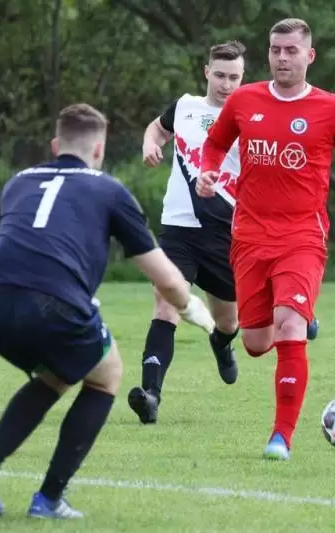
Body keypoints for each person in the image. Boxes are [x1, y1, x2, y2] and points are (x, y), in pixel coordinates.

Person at [0, 103, 215, 519]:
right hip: (52, 301)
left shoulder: (18, 181)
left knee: (56, 376)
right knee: (107, 374)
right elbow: (166, 278)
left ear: (56, 145)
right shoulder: (108, 190)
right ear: (99, 150)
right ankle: (48, 499)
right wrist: (190, 307)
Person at [197, 18, 335, 461]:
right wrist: (208, 170)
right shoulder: (244, 100)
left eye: (291, 50)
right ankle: (299, 316)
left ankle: (281, 437)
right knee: (256, 343)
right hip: (249, 235)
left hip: (302, 236)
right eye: (276, 49)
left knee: (289, 326)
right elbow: (215, 145)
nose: (282, 58)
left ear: (309, 56)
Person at [126, 41, 245, 425]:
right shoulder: (185, 107)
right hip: (178, 230)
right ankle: (150, 396)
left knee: (228, 322)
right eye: (220, 75)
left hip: (225, 233)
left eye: (234, 77)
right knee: (166, 305)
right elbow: (157, 129)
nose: (226, 84)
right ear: (206, 72)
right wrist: (149, 143)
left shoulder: (250, 117)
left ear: (243, 78)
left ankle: (221, 344)